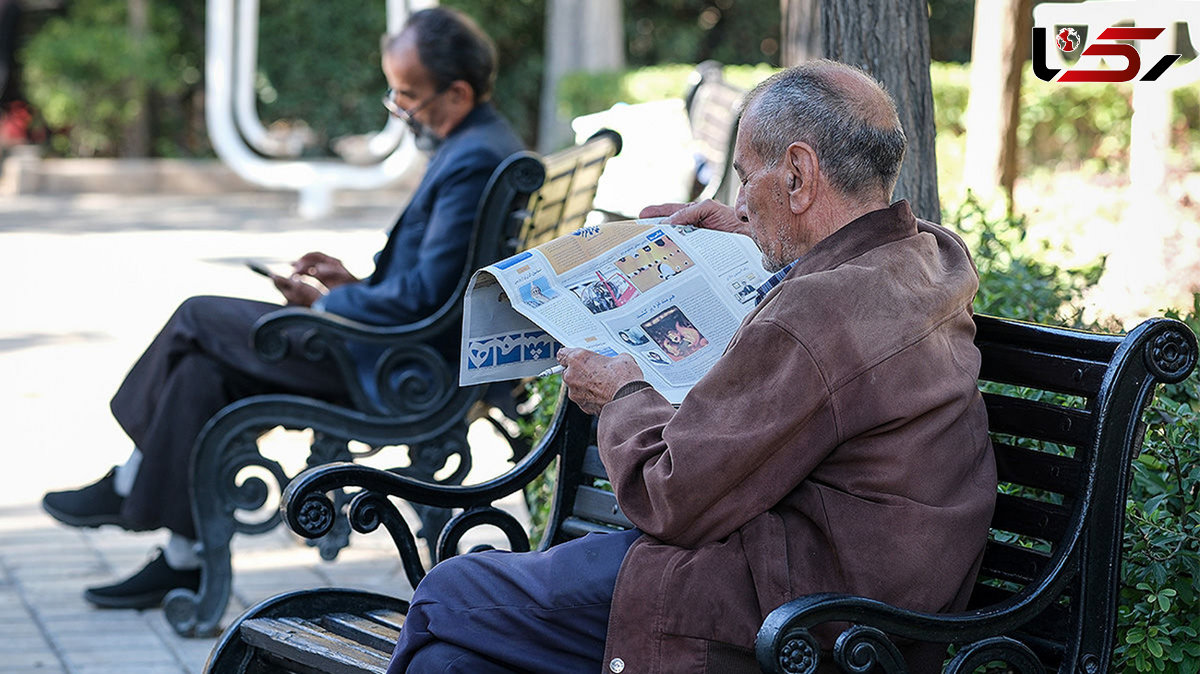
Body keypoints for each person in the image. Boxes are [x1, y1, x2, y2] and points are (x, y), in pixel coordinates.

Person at [383, 59, 997, 673]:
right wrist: (747, 233)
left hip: (796, 616)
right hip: (861, 593)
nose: (737, 202)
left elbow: (669, 495)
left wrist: (621, 393)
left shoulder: (818, 315)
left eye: (745, 178)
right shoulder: (929, 255)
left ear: (798, 176)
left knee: (447, 595)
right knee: (450, 666)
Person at [40, 7, 523, 610]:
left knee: (196, 316)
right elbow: (429, 283)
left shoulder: (473, 157)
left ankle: (127, 483)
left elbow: (422, 300)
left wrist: (332, 303)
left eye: (409, 98)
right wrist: (352, 280)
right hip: (401, 353)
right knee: (199, 372)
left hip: (394, 369)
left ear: (458, 91)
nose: (401, 113)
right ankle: (182, 561)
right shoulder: (479, 143)